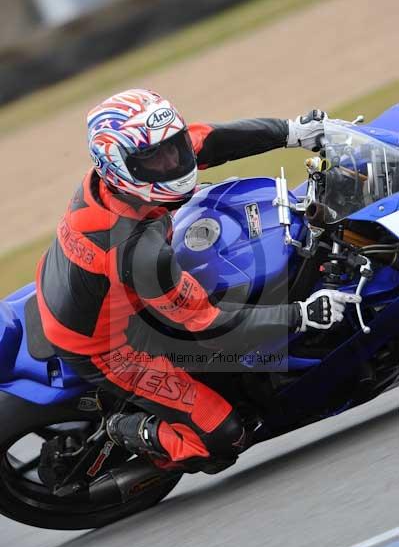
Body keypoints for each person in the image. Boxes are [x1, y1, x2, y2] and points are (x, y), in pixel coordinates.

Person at [36, 88, 360, 474]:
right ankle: (121, 428)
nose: (172, 160)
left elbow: (212, 140)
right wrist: (299, 315)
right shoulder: (137, 251)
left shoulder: (132, 172)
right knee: (224, 438)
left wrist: (292, 132)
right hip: (105, 347)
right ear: (118, 166)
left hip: (97, 287)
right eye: (155, 157)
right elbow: (209, 323)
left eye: (173, 147)